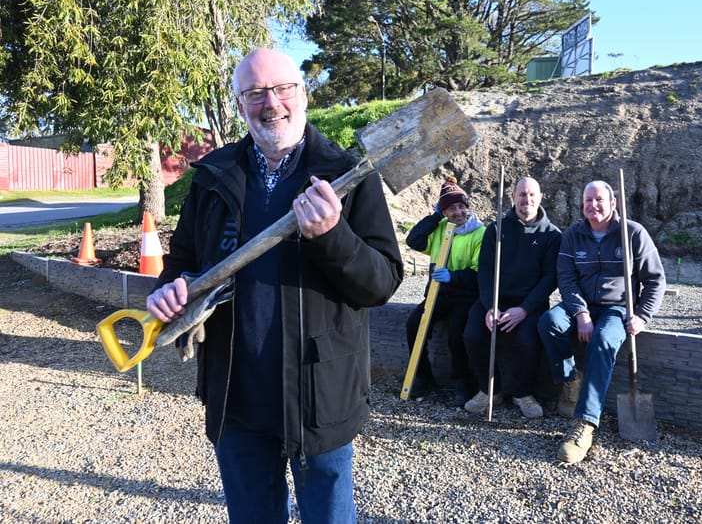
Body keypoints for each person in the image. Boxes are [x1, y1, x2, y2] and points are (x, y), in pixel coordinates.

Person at [145, 48, 403, 523]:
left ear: (303, 94)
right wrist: (172, 287)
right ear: (240, 104)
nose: (272, 103)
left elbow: (382, 282)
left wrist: (333, 237)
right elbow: (182, 261)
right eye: (256, 93)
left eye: (282, 88)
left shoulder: (347, 175)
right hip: (235, 394)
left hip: (319, 392)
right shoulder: (213, 179)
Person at [537, 180, 665, 464]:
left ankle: (584, 424)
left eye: (599, 200)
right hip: (580, 304)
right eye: (587, 200)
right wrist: (581, 313)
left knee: (604, 340)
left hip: (617, 307)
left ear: (613, 204)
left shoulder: (633, 234)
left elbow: (656, 280)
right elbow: (566, 279)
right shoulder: (573, 234)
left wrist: (643, 315)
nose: (593, 205)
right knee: (549, 322)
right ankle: (570, 380)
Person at [462, 177, 561, 418]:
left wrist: (524, 310)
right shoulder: (496, 230)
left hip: (529, 305)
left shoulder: (553, 235)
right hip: (495, 300)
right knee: (473, 334)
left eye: (531, 195)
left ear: (540, 198)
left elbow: (550, 278)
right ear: (513, 197)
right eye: (522, 194)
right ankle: (488, 390)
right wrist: (489, 306)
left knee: (526, 341)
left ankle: (522, 393)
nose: (526, 199)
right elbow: (485, 271)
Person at [404, 176, 485, 405]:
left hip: (465, 295)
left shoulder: (480, 232)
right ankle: (422, 376)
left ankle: (463, 380)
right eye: (450, 208)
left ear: (468, 207)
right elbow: (414, 240)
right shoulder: (440, 227)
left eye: (461, 206)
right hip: (438, 293)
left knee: (457, 330)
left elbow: (478, 274)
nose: (457, 212)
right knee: (414, 324)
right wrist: (435, 216)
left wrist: (453, 277)